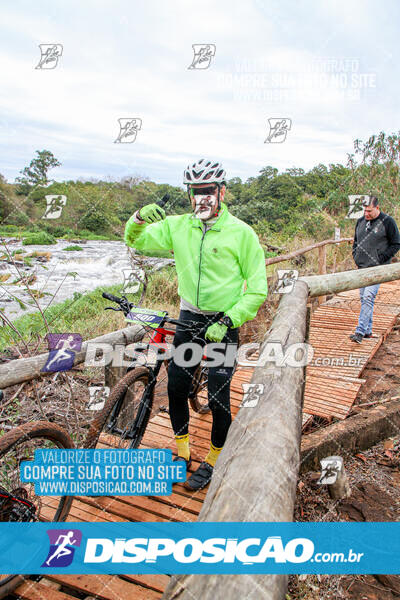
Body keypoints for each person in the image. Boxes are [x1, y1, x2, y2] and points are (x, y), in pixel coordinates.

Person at [124, 159, 268, 490]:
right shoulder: (178, 226)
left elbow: (258, 288)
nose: (201, 198)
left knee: (218, 394)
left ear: (221, 192)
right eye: (195, 192)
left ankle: (214, 459)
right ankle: (183, 452)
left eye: (208, 191)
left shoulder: (242, 233)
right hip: (189, 316)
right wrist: (138, 218)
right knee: (175, 386)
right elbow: (137, 241)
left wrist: (230, 319)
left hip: (223, 320)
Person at [350, 196, 400, 343]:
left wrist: (381, 258)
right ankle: (368, 331)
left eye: (369, 211)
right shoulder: (360, 222)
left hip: (377, 269)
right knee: (364, 299)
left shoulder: (388, 222)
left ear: (377, 208)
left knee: (368, 297)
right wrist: (356, 255)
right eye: (365, 211)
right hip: (362, 267)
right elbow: (356, 241)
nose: (367, 214)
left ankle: (359, 332)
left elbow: (396, 243)